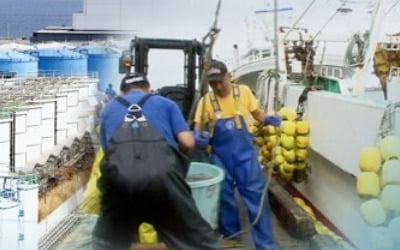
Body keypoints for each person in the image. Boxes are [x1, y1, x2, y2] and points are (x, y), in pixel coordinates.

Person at [93, 72, 220, 250]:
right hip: (163, 181)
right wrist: (179, 165)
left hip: (120, 183)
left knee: (107, 243)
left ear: (122, 92)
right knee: (198, 242)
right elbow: (187, 142)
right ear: (149, 89)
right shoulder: (166, 104)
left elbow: (109, 153)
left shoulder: (109, 109)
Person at [193, 60, 281, 250]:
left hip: (245, 156)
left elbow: (256, 113)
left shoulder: (244, 92)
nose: (217, 86)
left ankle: (265, 245)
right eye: (212, 83)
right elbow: (198, 124)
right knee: (224, 198)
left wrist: (267, 118)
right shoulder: (206, 100)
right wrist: (197, 135)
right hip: (220, 156)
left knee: (255, 197)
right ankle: (232, 240)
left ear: (229, 77)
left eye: (220, 81)